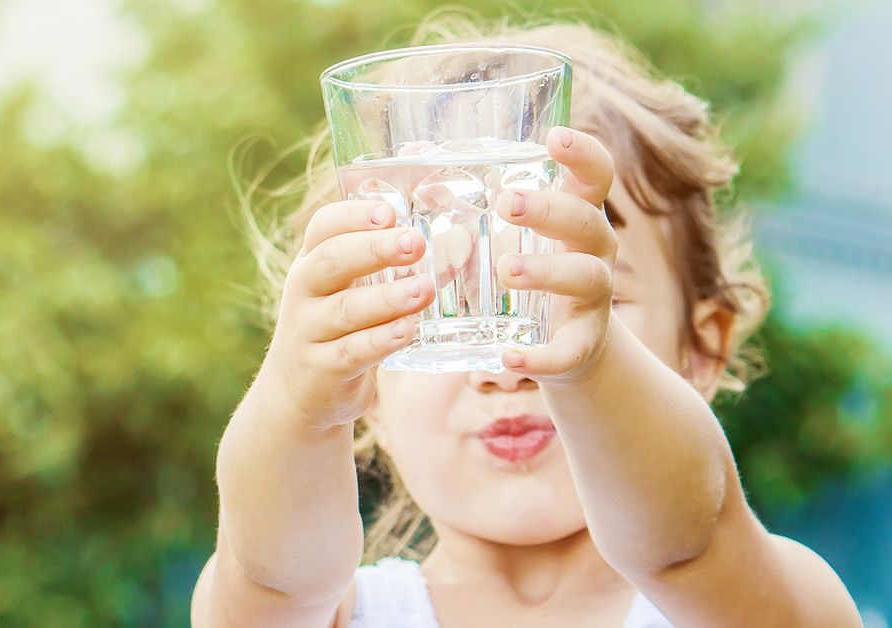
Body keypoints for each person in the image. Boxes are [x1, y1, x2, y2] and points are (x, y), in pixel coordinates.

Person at [191, 16, 862, 628]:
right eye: (441, 302)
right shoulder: (331, 616)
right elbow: (268, 579)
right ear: (366, 397)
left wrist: (592, 369)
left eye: (579, 299)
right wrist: (295, 402)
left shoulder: (751, 601)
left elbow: (689, 541)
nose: (505, 369)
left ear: (702, 348)